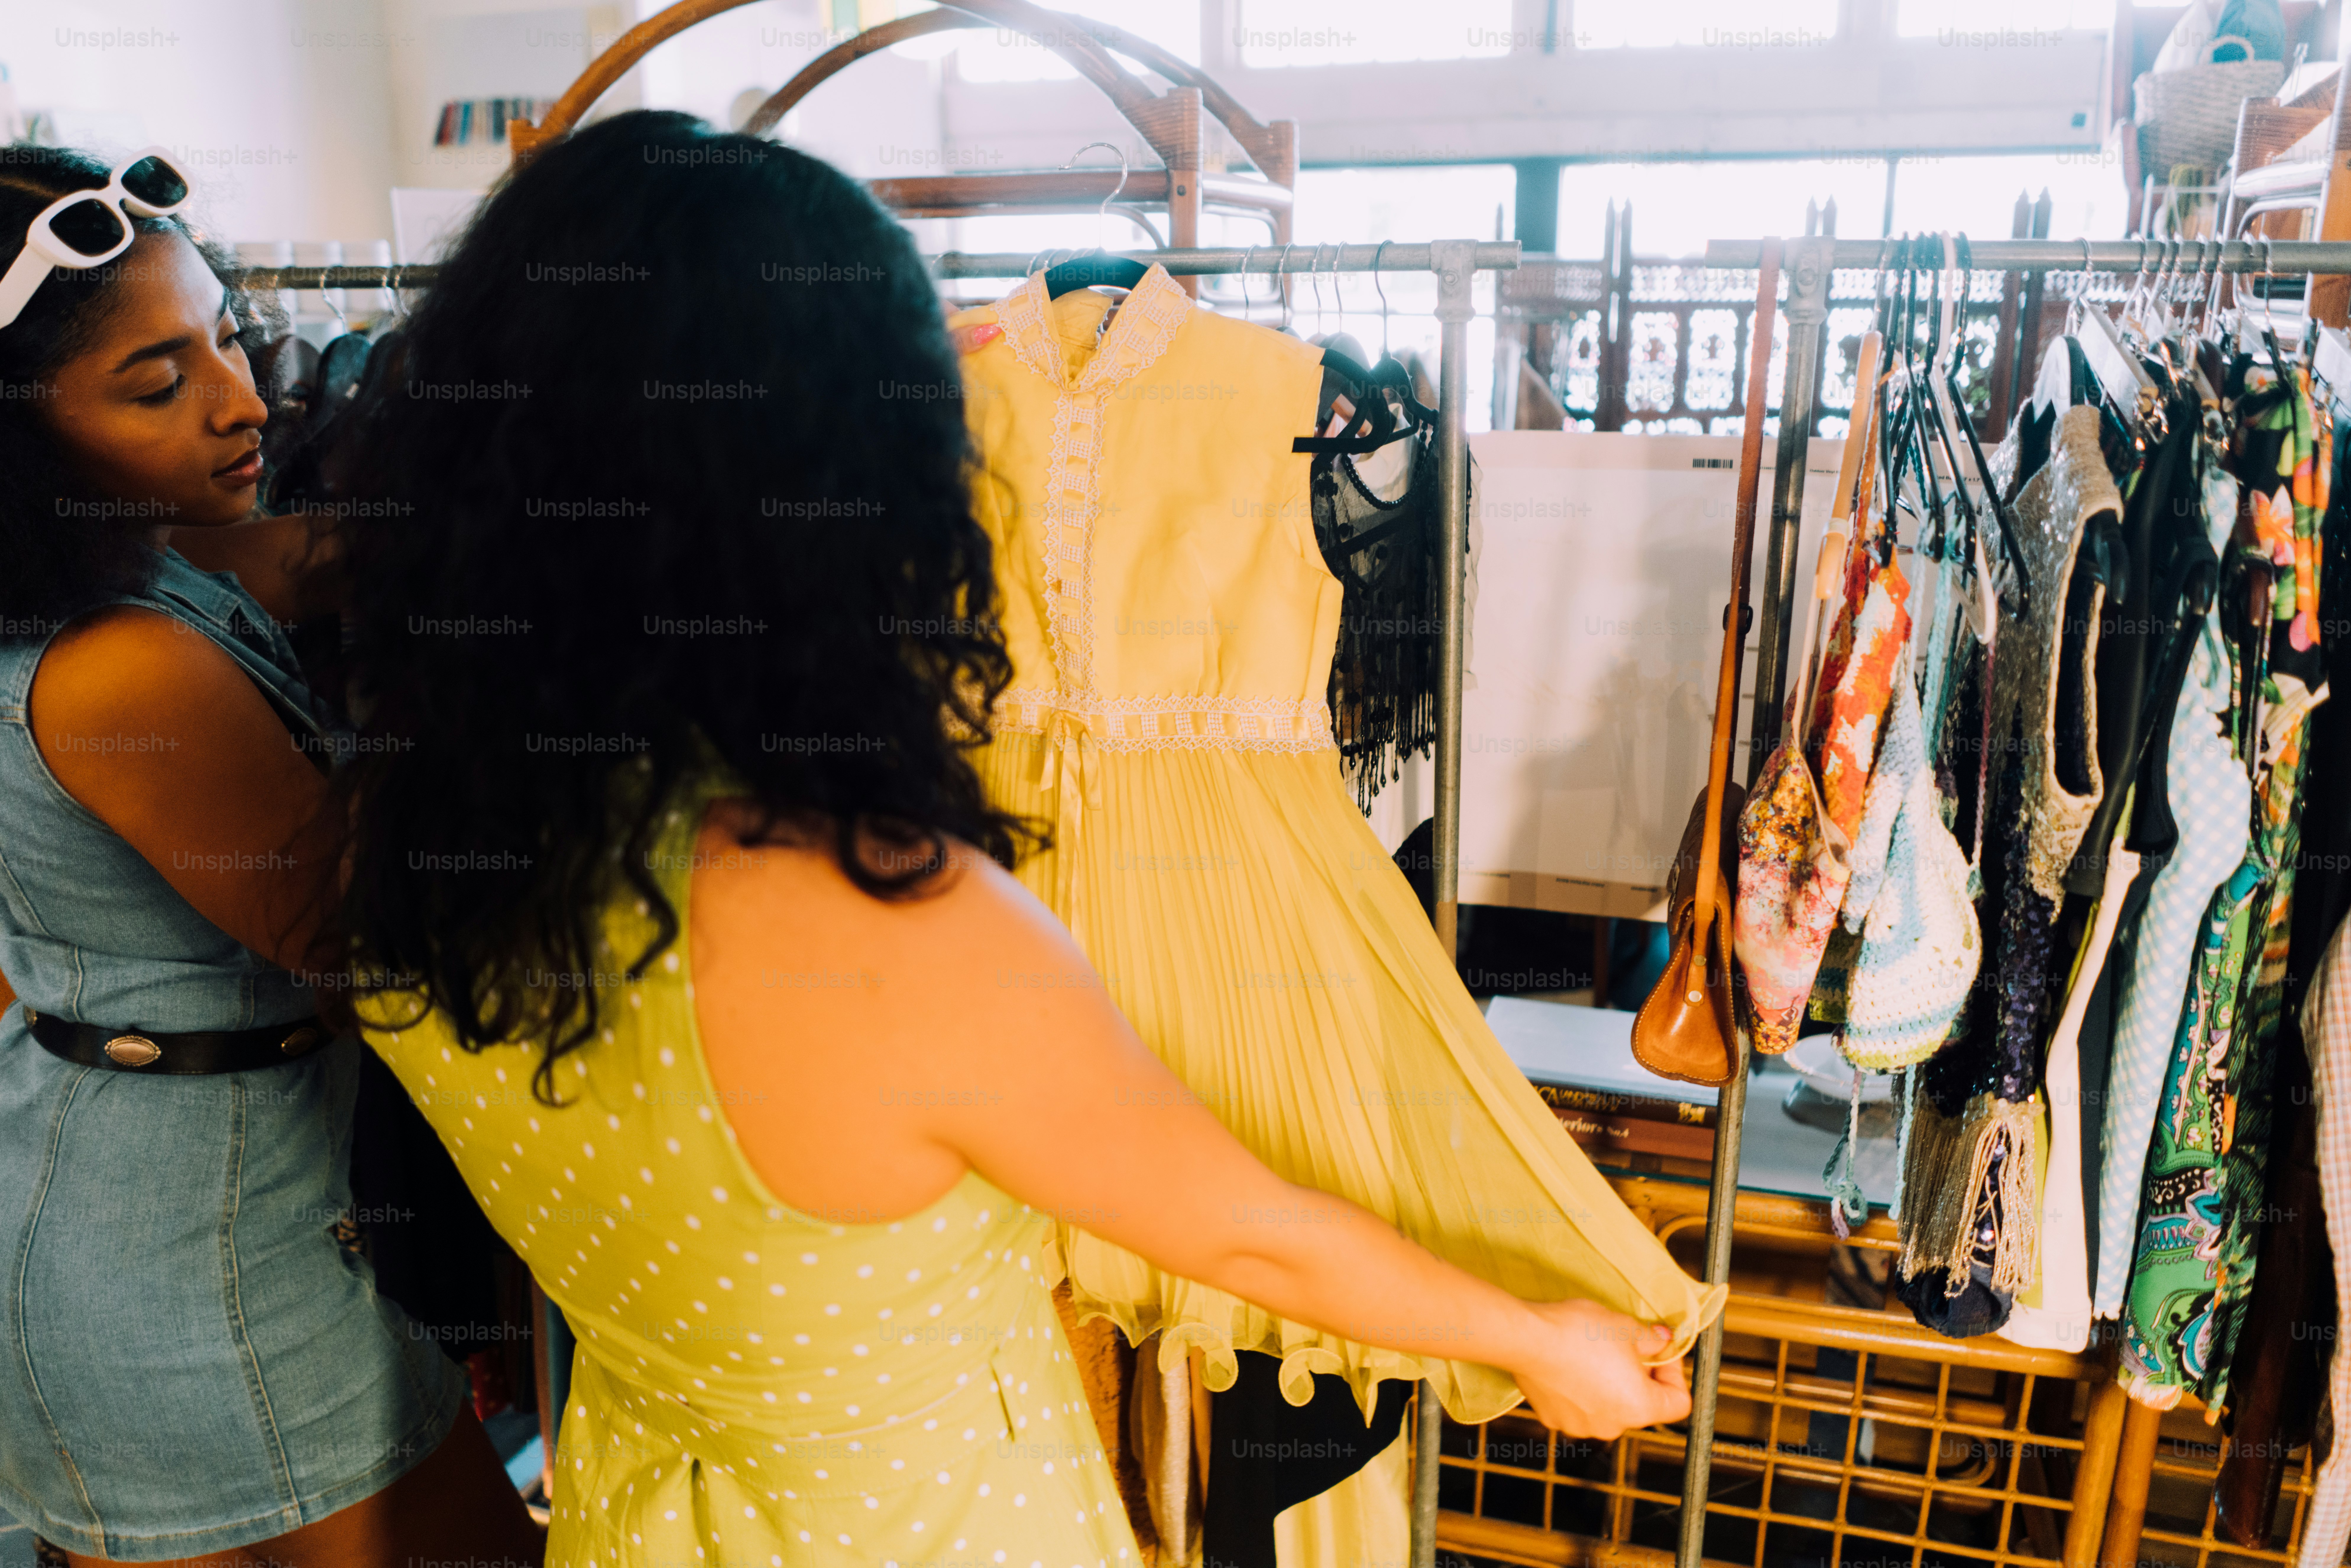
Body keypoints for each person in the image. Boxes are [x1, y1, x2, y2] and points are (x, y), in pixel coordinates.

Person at [326, 109, 1691, 1567]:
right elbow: (1250, 1235)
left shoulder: (407, 841)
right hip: (936, 1526)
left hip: (638, 1508)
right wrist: (1541, 1339)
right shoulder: (882, 927)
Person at [0, 145, 540, 1567]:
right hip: (189, 1251)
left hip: (173, 1191)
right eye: (157, 384)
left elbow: (311, 558)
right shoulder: (118, 672)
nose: (245, 403)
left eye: (226, 336)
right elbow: (366, 933)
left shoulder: (124, 566)